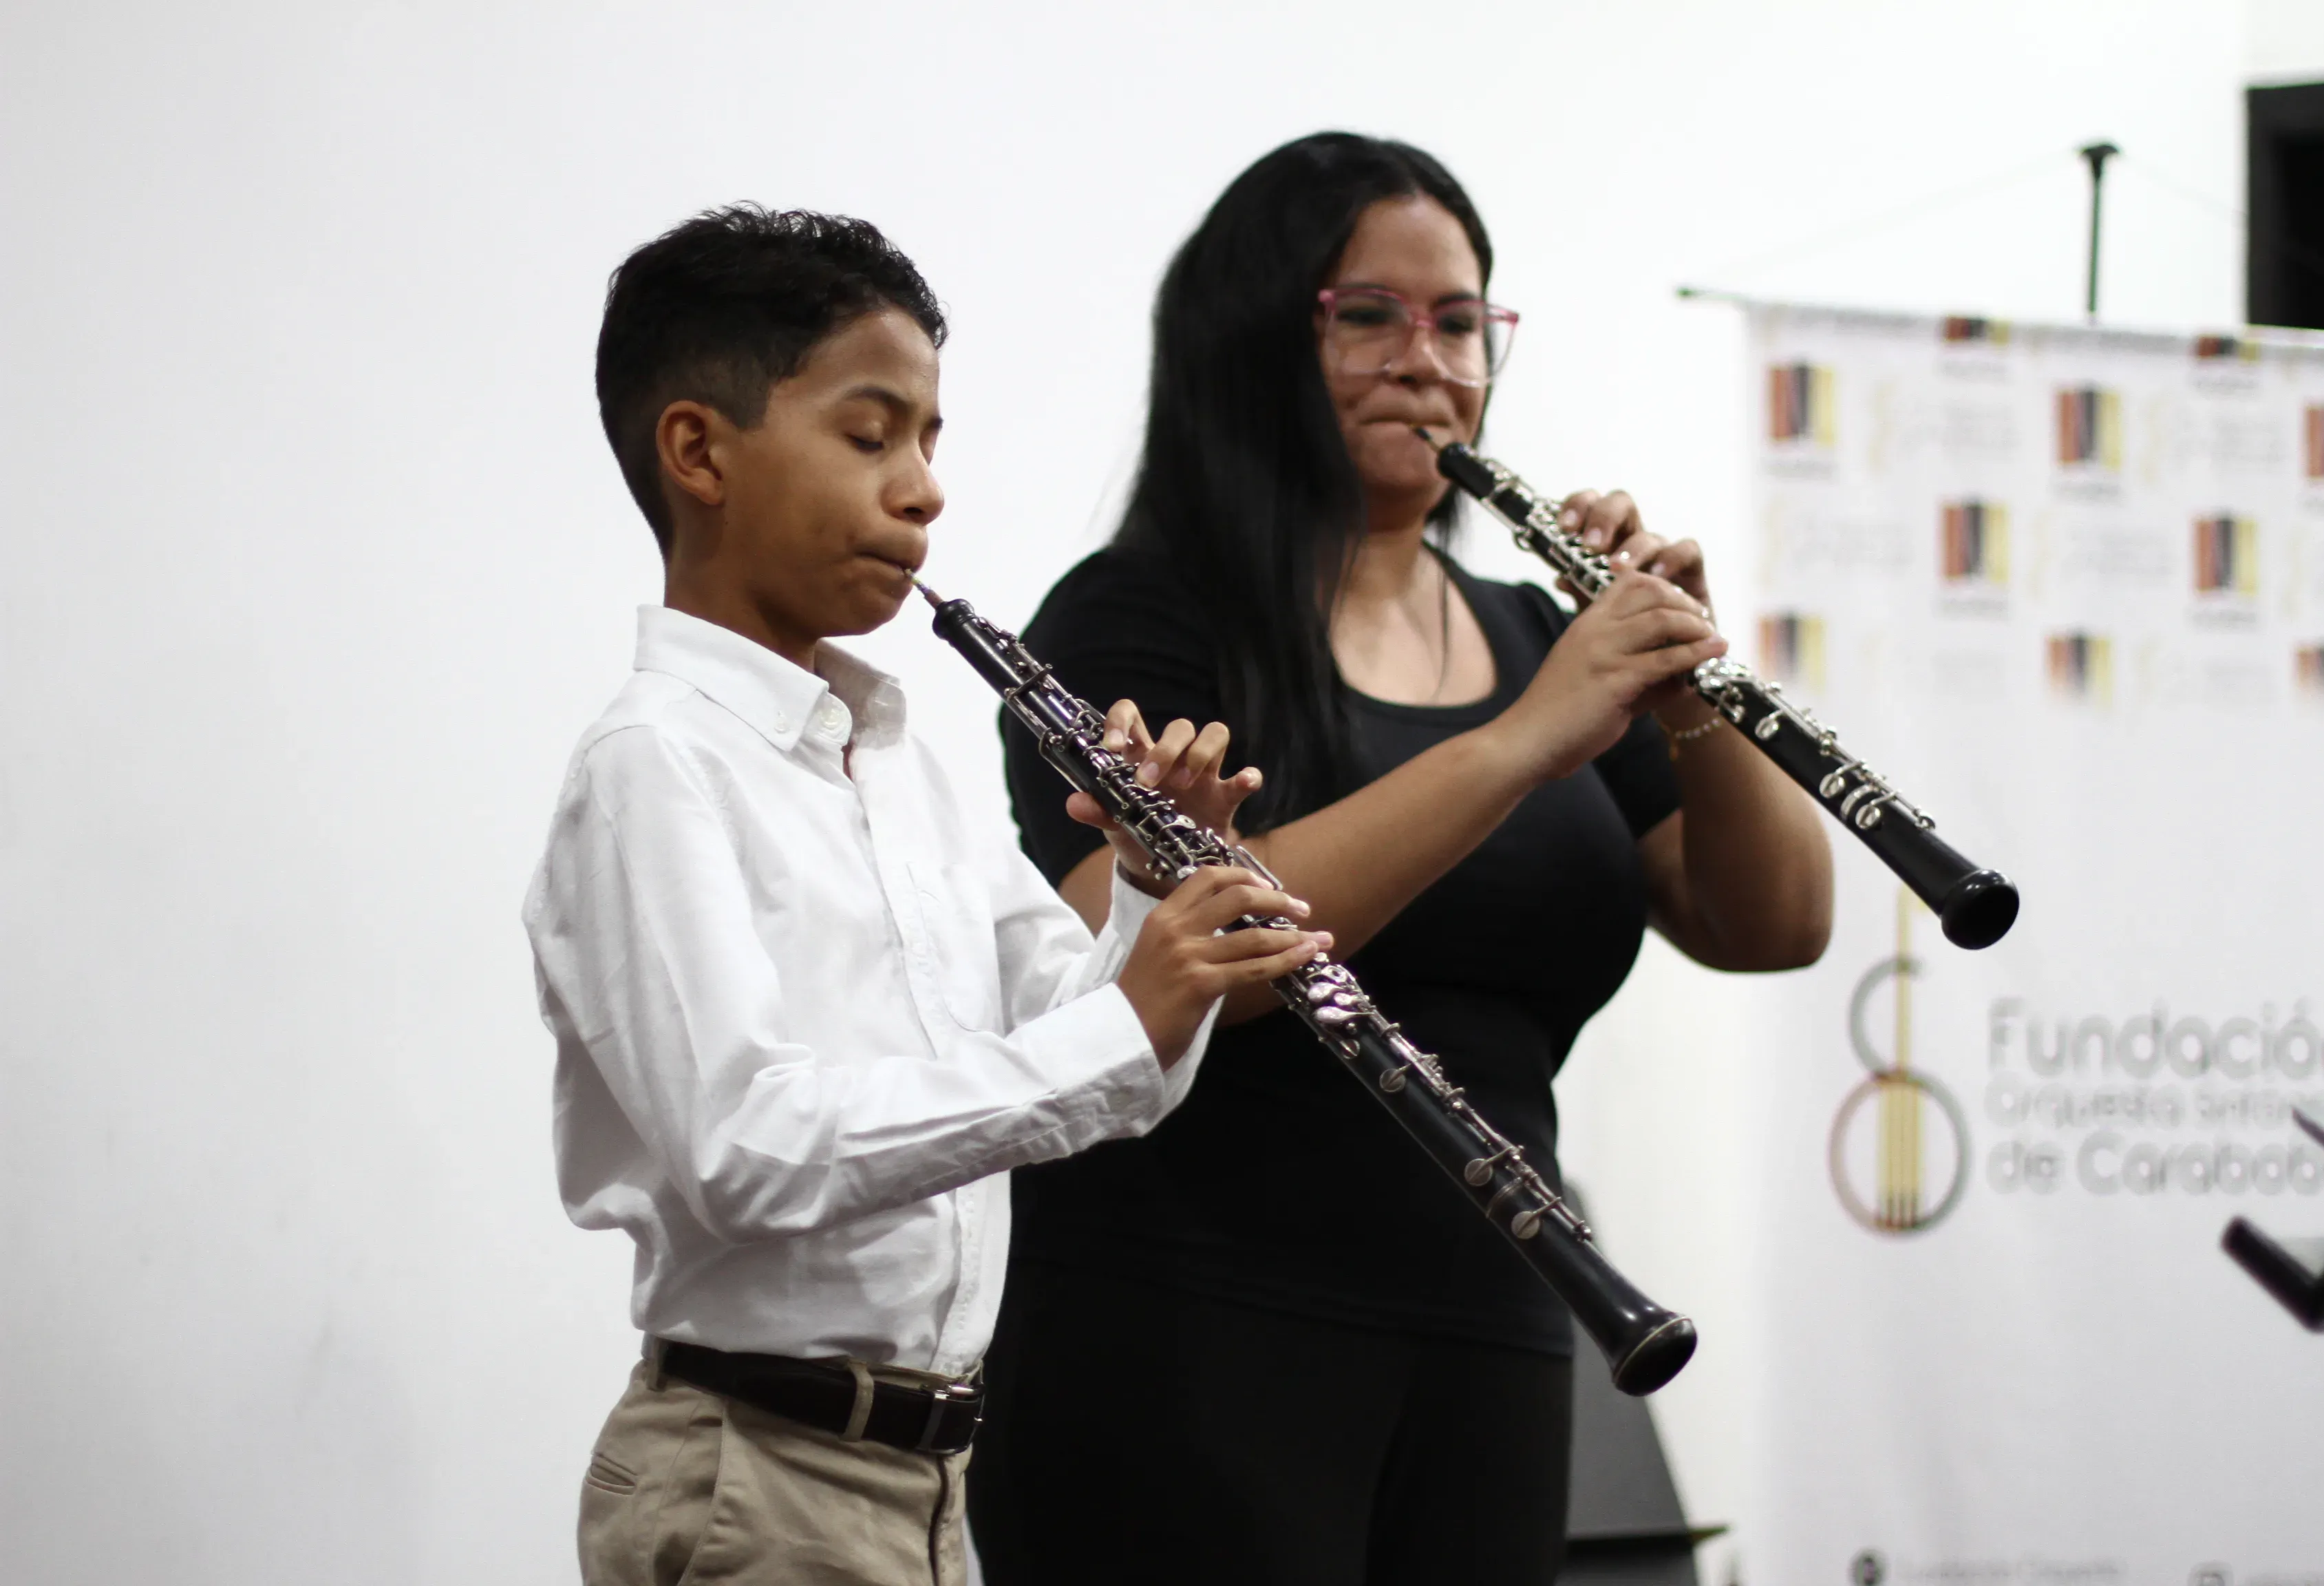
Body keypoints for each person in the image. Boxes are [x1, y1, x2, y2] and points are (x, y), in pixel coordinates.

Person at [969, 135, 1835, 1586]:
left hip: (1500, 1314)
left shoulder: (1523, 626)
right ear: (1251, 338)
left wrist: (1687, 702)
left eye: (1462, 321)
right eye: (1367, 316)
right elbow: (1148, 962)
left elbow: (1773, 923)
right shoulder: (1140, 614)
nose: (1427, 360)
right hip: (1191, 1321)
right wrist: (1523, 740)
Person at [522, 204, 1329, 1586]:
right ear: (698, 452)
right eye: (869, 432)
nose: (923, 490)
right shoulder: (655, 765)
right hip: (758, 1476)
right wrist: (1120, 1020)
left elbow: (1114, 1077)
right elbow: (747, 1147)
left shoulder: (902, 765)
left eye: (930, 439)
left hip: (926, 1482)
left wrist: (1148, 904)